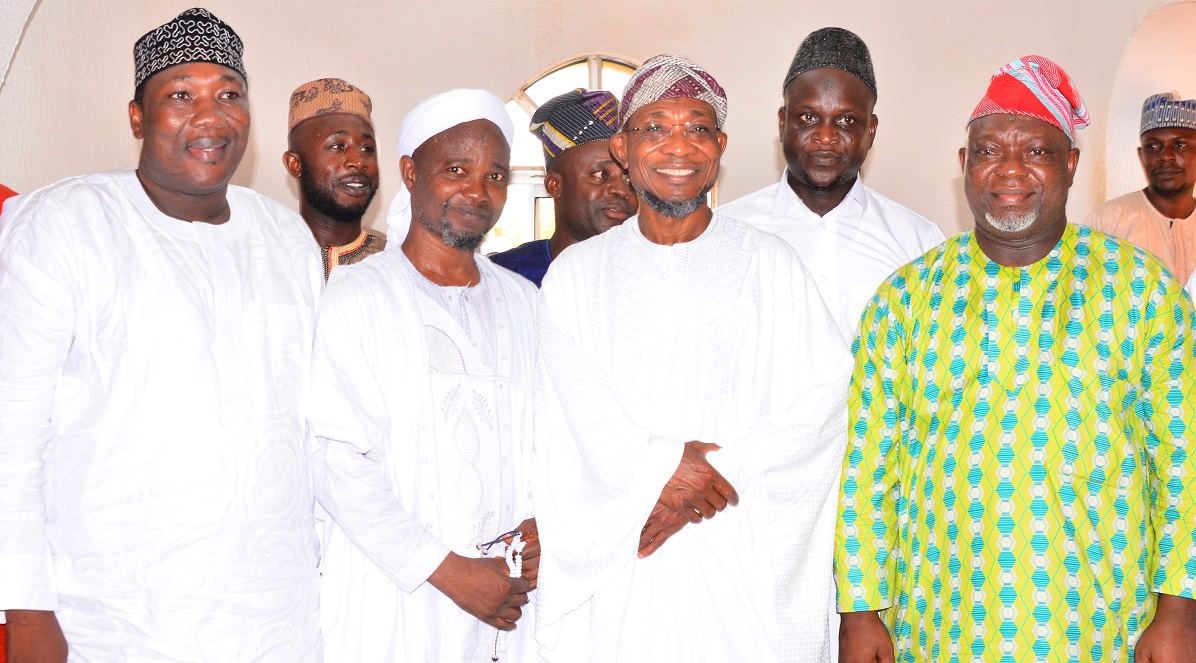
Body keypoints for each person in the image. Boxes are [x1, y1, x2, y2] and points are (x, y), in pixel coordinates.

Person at [837, 55, 1196, 663]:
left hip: (1099, 621)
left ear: (1071, 164)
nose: (1009, 169)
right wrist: (860, 613)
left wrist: (1180, 613)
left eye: (1036, 151)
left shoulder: (1142, 290)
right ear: (964, 165)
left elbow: (1183, 457)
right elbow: (870, 469)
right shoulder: (905, 298)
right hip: (940, 620)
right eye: (987, 151)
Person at [0, 8, 322, 662]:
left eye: (229, 94)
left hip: (276, 617)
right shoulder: (63, 224)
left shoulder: (286, 238)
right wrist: (26, 607)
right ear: (138, 117)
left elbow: (305, 425)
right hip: (118, 621)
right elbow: (12, 430)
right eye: (181, 95)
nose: (211, 115)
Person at [533, 54, 852, 662]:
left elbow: (825, 401)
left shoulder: (770, 264)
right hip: (624, 559)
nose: (677, 146)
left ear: (721, 146)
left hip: (738, 552)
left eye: (697, 128)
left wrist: (711, 476)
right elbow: (571, 417)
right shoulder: (577, 276)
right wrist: (663, 470)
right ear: (623, 149)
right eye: (655, 128)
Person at [308, 89, 540, 662]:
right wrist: (448, 571)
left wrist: (544, 526)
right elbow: (335, 461)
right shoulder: (357, 299)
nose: (477, 192)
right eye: (456, 169)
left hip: (512, 601)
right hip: (394, 601)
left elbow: (555, 440)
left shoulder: (526, 303)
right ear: (411, 173)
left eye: (495, 176)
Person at [719, 27, 944, 338]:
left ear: (872, 130)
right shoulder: (727, 230)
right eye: (809, 118)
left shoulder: (919, 242)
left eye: (846, 120)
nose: (825, 137)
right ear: (783, 121)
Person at [490, 88, 636, 286]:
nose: (622, 190)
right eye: (601, 174)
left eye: (629, 178)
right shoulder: (504, 279)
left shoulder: (653, 278)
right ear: (555, 185)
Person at [1085, 92, 1196, 283]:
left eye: (1179, 145)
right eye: (1153, 147)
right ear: (1141, 155)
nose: (1165, 156)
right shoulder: (1109, 222)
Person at [284, 77, 385, 280]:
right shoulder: (261, 259)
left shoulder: (396, 264)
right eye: (338, 146)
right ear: (295, 164)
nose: (358, 161)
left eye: (368, 149)